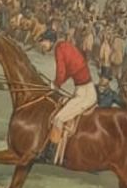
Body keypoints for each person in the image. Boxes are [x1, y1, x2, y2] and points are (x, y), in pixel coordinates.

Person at [39, 26, 95, 164]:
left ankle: (50, 156)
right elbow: (69, 71)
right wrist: (56, 84)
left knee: (58, 119)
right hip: (82, 89)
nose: (42, 45)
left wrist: (55, 85)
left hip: (85, 93)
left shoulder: (59, 49)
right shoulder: (65, 46)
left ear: (50, 41)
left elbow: (62, 72)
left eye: (43, 42)